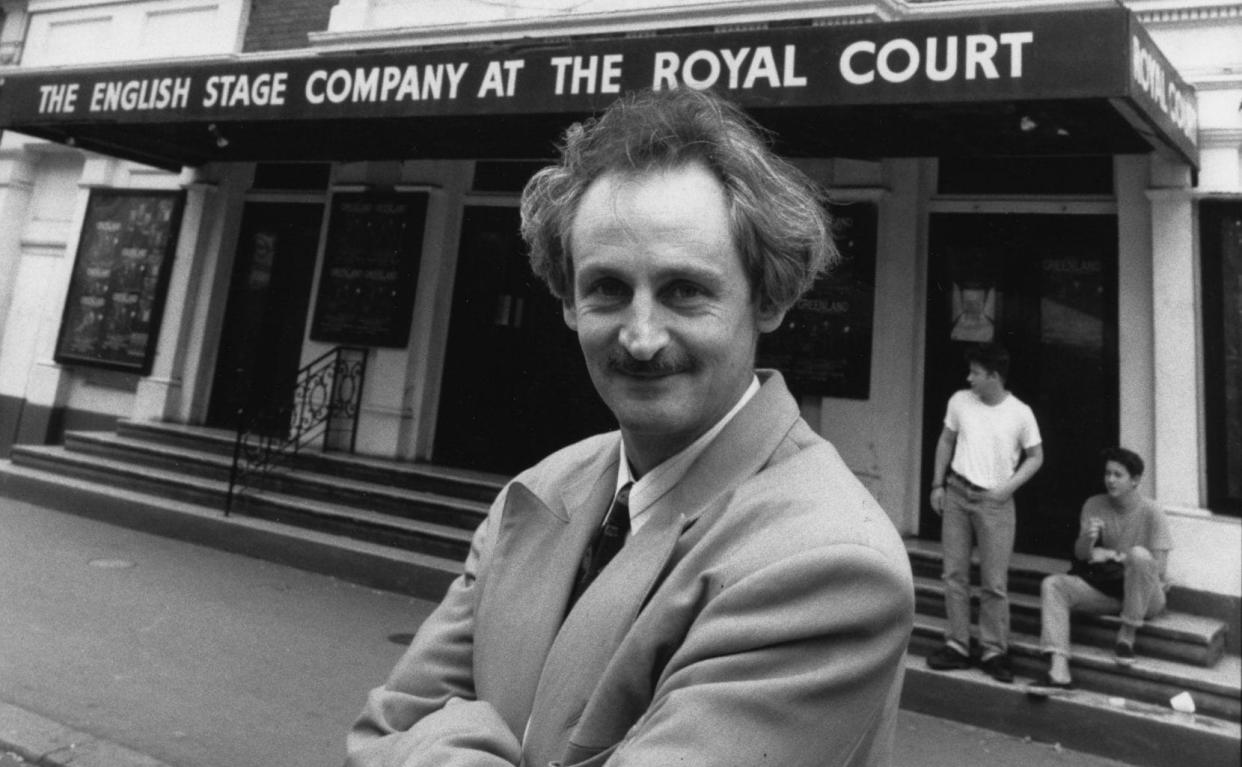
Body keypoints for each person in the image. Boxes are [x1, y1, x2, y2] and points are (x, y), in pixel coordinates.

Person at [343, 87, 915, 767]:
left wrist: (448, 733)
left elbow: (407, 740)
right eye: (608, 288)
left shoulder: (828, 562)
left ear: (769, 299)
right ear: (567, 300)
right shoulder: (538, 491)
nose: (641, 338)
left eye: (685, 290)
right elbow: (380, 736)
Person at [926, 342, 1043, 683]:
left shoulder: (1020, 413)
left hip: (996, 502)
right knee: (954, 574)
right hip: (959, 493)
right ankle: (958, 645)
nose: (969, 378)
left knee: (994, 582)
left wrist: (1008, 488)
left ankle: (993, 650)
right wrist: (937, 484)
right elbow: (946, 440)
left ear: (994, 376)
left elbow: (1036, 456)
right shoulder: (959, 401)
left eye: (976, 373)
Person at [1033, 448, 1172, 688]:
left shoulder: (1152, 512)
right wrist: (1087, 539)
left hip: (1147, 597)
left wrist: (1113, 555)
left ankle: (1127, 636)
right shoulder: (1093, 504)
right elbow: (1082, 556)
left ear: (1135, 480)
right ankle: (1059, 670)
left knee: (1139, 556)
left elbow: (1158, 569)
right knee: (1053, 585)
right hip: (1111, 592)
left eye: (1118, 475)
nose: (1110, 479)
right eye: (1108, 473)